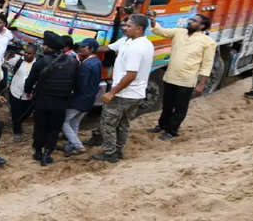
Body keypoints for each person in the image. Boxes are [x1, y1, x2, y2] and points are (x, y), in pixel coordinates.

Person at [92, 14, 154, 163]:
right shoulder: (129, 41)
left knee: (108, 123)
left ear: (139, 29)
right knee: (123, 123)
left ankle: (110, 154)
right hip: (136, 94)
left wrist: (112, 92)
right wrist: (87, 47)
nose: (125, 28)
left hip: (124, 93)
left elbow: (131, 75)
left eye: (129, 26)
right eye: (124, 25)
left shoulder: (136, 48)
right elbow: (107, 48)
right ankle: (118, 150)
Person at [147, 11, 216, 140]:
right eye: (191, 19)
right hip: (170, 76)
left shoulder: (208, 42)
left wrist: (201, 84)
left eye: (194, 21)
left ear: (202, 26)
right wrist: (152, 21)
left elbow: (207, 65)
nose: (190, 22)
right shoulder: (179, 32)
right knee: (167, 104)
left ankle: (172, 131)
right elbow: (161, 31)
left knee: (180, 108)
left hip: (186, 80)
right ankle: (162, 126)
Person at [24, 31, 77, 165]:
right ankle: (47, 153)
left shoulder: (41, 62)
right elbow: (75, 83)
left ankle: (37, 152)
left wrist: (28, 92)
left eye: (44, 45)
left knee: (40, 126)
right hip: (61, 102)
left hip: (43, 101)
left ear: (47, 47)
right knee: (54, 128)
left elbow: (30, 82)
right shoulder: (72, 62)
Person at [62, 38, 102, 156]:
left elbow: (80, 84)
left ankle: (77, 145)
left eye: (83, 47)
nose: (80, 49)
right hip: (89, 98)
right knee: (74, 122)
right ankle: (71, 145)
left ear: (91, 49)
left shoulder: (86, 65)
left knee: (63, 121)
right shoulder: (97, 62)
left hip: (79, 99)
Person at [8, 44, 36, 140]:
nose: (26, 55)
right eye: (26, 53)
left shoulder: (37, 64)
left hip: (28, 95)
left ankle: (17, 123)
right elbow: (6, 64)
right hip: (15, 91)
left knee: (27, 113)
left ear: (34, 54)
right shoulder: (18, 61)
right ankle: (17, 132)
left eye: (29, 53)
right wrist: (7, 58)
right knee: (16, 113)